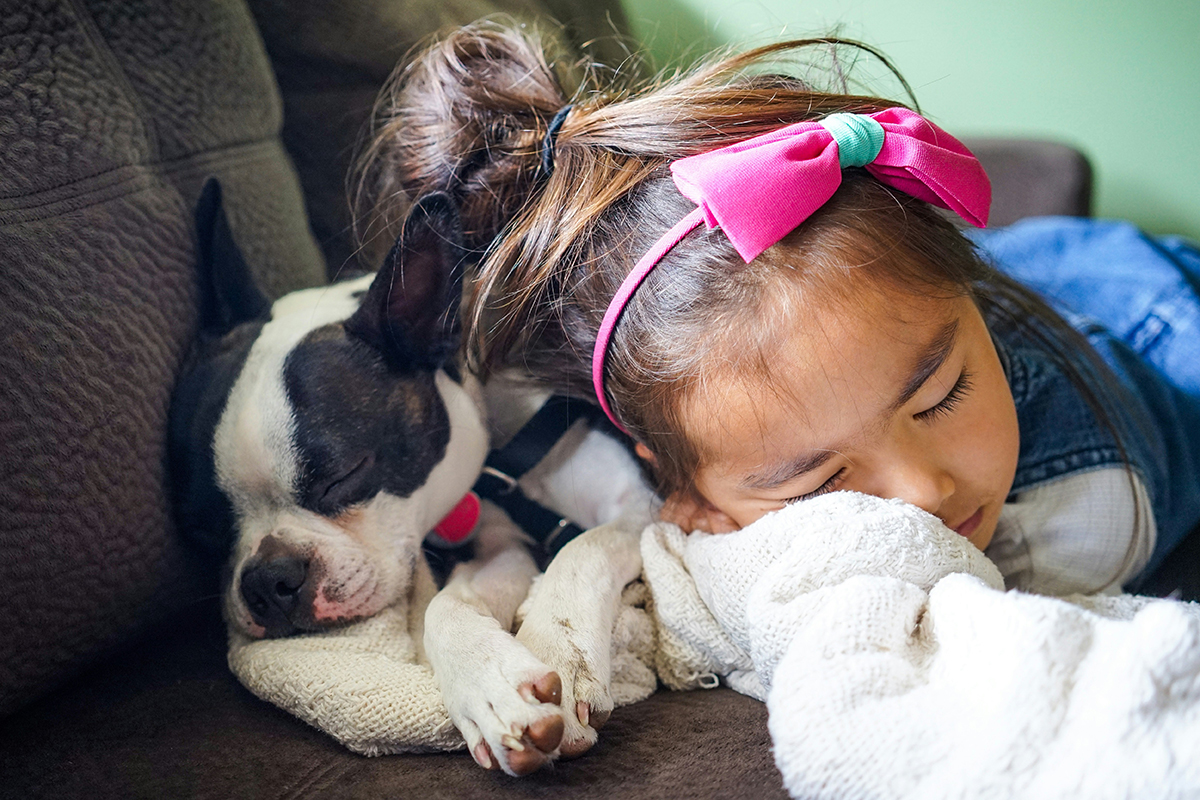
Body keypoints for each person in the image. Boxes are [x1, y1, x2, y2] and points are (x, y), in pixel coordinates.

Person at [357, 21, 1200, 597]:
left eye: (941, 394)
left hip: (1149, 307)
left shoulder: (1092, 512)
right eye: (818, 481)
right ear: (683, 492)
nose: (924, 490)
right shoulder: (681, 402)